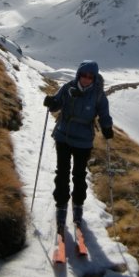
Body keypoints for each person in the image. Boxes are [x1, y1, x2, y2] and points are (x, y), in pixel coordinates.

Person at [43, 60, 113, 232]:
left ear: (94, 78)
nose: (86, 79)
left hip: (83, 141)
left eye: (90, 76)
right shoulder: (68, 88)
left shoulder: (98, 95)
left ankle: (78, 204)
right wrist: (52, 103)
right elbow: (57, 104)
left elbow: (104, 113)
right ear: (78, 74)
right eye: (84, 75)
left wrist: (107, 127)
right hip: (64, 136)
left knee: (79, 175)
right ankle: (61, 204)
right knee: (62, 172)